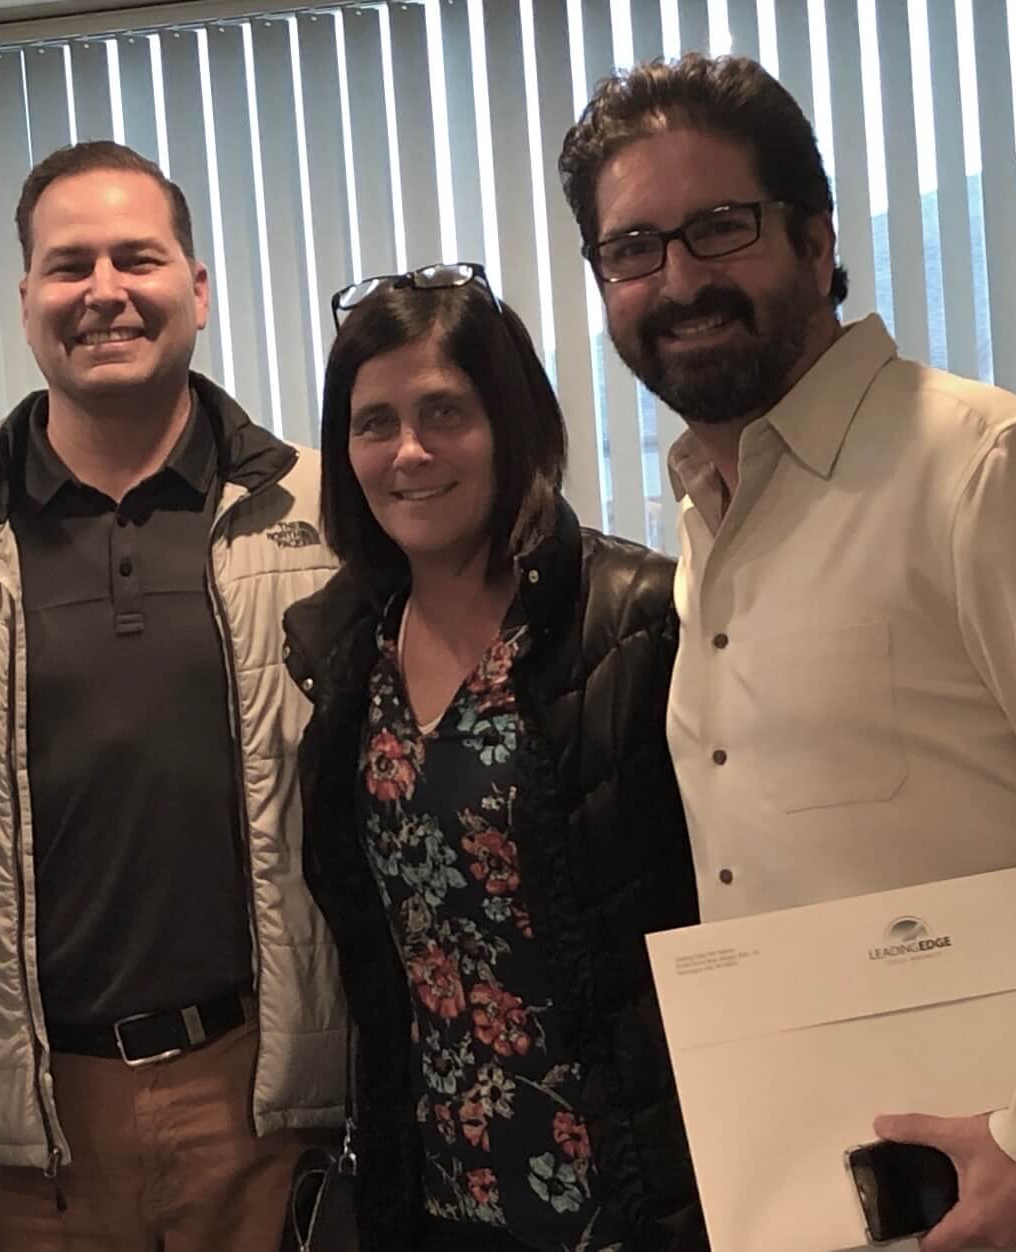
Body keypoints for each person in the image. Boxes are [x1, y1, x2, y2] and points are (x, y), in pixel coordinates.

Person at [559, 52, 1016, 1252]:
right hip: (842, 1202)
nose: (676, 279)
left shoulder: (987, 470)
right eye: (631, 250)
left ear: (816, 236)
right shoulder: (706, 528)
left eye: (718, 228)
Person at [0, 140, 343, 1251]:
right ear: (26, 298)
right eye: (68, 265)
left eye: (138, 257)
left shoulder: (326, 519)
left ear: (199, 288)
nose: (104, 292)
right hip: (26, 1131)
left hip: (265, 1102)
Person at [282, 263, 704, 1252]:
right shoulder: (347, 657)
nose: (409, 451)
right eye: (373, 422)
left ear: (512, 423)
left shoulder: (639, 621)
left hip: (632, 1194)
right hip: (435, 1198)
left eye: (443, 412)